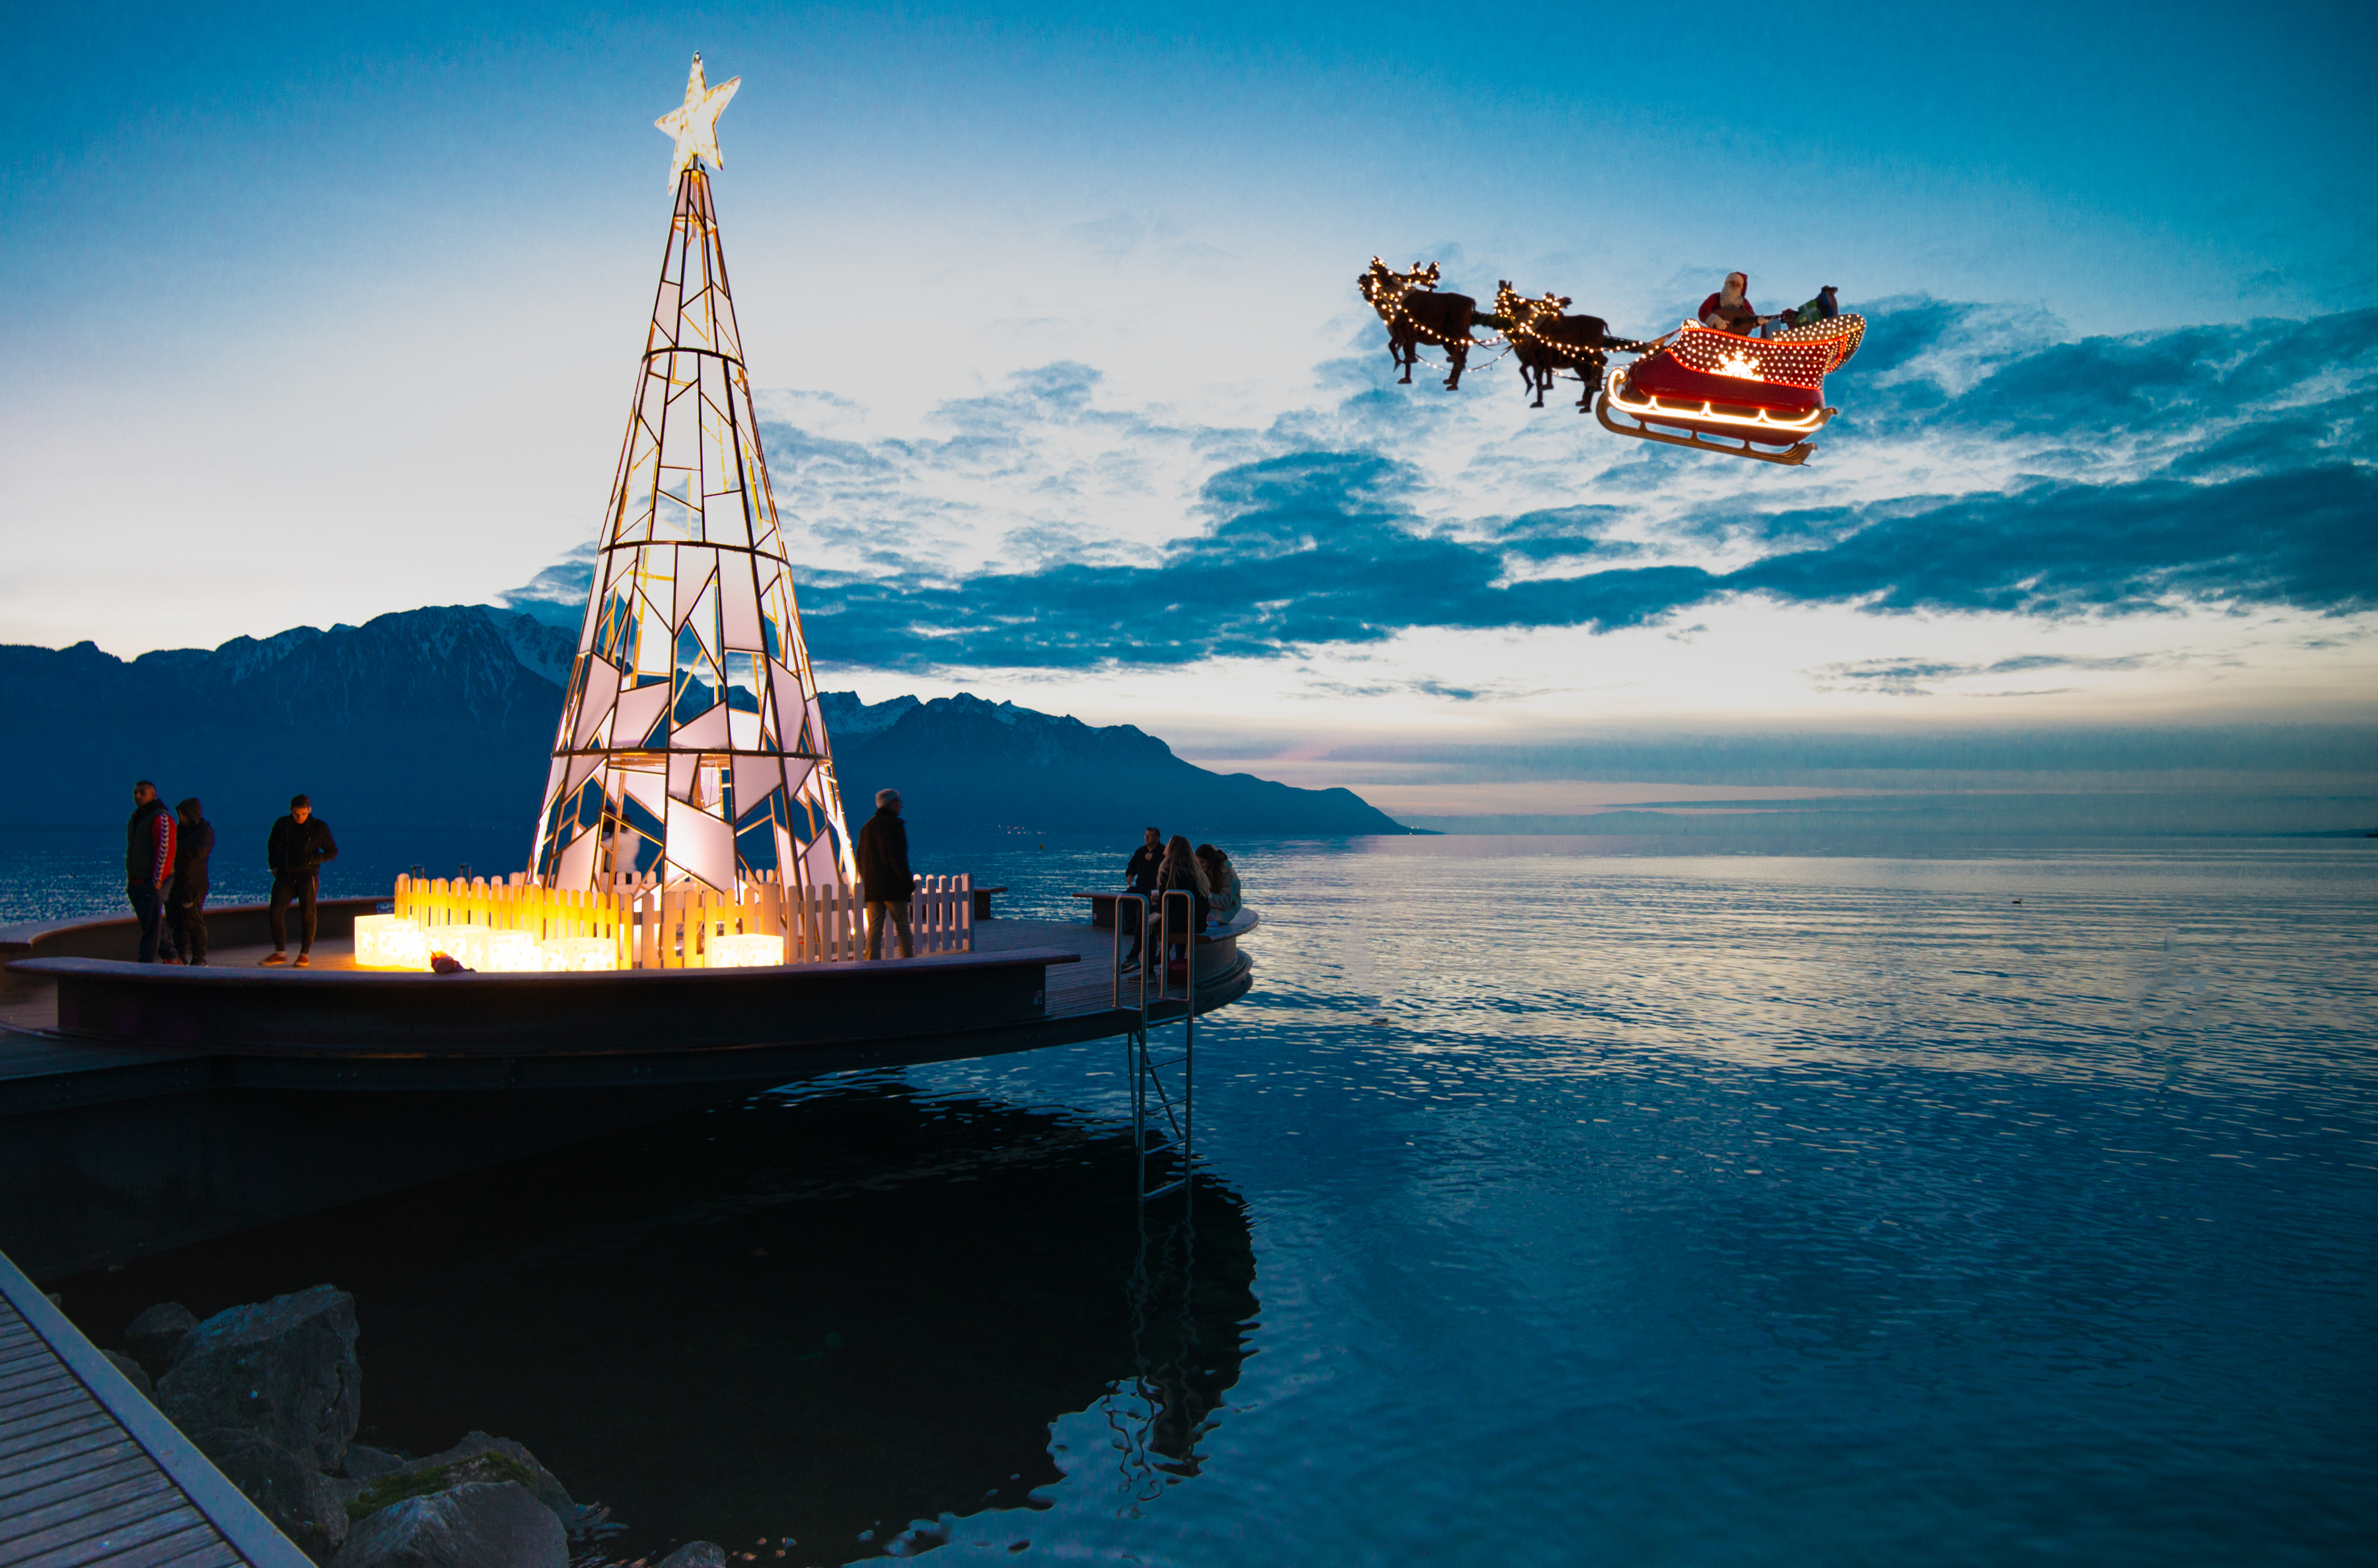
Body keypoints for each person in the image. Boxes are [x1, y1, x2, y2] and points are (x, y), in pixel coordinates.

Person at [262, 794, 338, 967]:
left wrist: (312, 860)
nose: (300, 817)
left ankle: (304, 954)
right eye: (297, 814)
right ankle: (280, 952)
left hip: (307, 876)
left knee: (308, 915)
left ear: (309, 810)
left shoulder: (319, 828)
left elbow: (332, 852)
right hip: (285, 876)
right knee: (275, 913)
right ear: (291, 811)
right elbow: (271, 845)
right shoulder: (282, 825)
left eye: (303, 814)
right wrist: (273, 865)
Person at [856, 787, 916, 960]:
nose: (901, 806)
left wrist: (867, 878)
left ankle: (871, 965)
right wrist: (908, 883)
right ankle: (908, 963)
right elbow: (897, 859)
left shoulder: (867, 827)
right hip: (893, 888)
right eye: (898, 802)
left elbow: (860, 859)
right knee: (903, 928)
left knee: (874, 931)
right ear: (891, 804)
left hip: (873, 888)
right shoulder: (895, 826)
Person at [125, 781, 178, 964]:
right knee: (150, 921)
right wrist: (131, 879)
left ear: (153, 795)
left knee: (151, 924)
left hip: (154, 880)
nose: (138, 796)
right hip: (137, 881)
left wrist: (158, 879)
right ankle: (171, 956)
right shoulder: (136, 819)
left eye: (142, 793)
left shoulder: (160, 818)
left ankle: (145, 961)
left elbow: (165, 849)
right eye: (136, 792)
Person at [166, 797, 213, 966]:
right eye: (179, 815)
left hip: (193, 885)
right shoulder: (180, 831)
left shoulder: (205, 833)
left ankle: (199, 958)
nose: (181, 818)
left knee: (193, 921)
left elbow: (198, 853)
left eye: (183, 815)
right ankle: (179, 956)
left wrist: (175, 846)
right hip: (175, 884)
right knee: (177, 924)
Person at [1698, 272, 1766, 336]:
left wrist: (1757, 321)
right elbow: (1703, 311)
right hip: (1716, 336)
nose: (1734, 286)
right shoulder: (1715, 297)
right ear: (1727, 284)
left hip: (1739, 339)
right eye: (1732, 283)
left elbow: (1751, 316)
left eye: (1738, 285)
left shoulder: (1744, 302)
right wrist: (1716, 321)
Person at [1197, 843, 1243, 919]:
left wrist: (1203, 896)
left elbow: (1225, 902)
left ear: (1210, 860)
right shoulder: (1204, 871)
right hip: (1212, 906)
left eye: (1202, 862)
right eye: (1198, 863)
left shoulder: (1227, 873)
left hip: (1229, 908)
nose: (1200, 866)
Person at [1772, 285, 1840, 334]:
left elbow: (1816, 304)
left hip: (1827, 320)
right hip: (1829, 320)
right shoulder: (1828, 297)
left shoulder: (1825, 297)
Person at [1124, 826, 1163, 895]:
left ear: (1158, 837)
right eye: (1146, 835)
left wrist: (1154, 858)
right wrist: (1130, 874)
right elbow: (1132, 865)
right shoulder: (1141, 851)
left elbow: (1166, 866)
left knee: (1151, 898)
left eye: (1150, 835)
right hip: (1140, 886)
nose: (1147, 838)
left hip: (1156, 887)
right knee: (1125, 896)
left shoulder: (1164, 851)